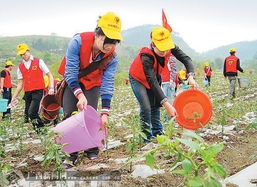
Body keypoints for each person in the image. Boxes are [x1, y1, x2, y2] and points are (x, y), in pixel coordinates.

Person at [60, 12, 122, 165]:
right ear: (97, 34)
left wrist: (105, 112)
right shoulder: (78, 42)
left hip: (93, 84)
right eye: (108, 40)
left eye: (114, 41)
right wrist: (79, 95)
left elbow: (107, 83)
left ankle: (91, 150)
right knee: (70, 114)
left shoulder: (112, 57)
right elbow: (71, 71)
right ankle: (70, 153)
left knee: (91, 116)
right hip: (73, 81)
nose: (110, 45)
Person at [129, 26, 197, 142]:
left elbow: (187, 59)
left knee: (155, 105)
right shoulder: (146, 56)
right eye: (161, 49)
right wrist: (168, 105)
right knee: (146, 106)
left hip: (154, 77)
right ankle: (146, 137)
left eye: (166, 48)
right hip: (138, 79)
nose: (164, 52)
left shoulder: (171, 47)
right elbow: (152, 82)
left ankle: (158, 132)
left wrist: (190, 76)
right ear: (153, 44)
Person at [11, 43, 54, 132]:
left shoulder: (39, 61)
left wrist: (51, 87)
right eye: (21, 54)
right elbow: (20, 84)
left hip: (38, 91)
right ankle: (42, 130)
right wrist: (13, 97)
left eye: (24, 53)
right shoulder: (20, 66)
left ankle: (42, 131)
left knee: (32, 113)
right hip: (27, 92)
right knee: (29, 113)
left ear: (28, 51)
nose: (23, 56)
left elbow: (49, 75)